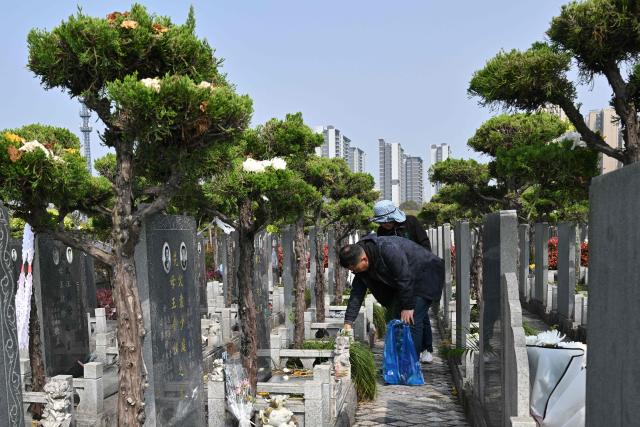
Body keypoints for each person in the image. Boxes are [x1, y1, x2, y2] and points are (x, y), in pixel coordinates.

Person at [340, 234, 444, 363]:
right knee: (397, 320)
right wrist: (348, 322)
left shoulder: (388, 249)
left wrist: (408, 307)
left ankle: (411, 366)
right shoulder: (361, 265)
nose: (353, 272)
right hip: (405, 283)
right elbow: (357, 294)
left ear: (364, 259)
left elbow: (404, 276)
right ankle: (402, 361)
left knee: (411, 320)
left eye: (354, 268)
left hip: (425, 275)